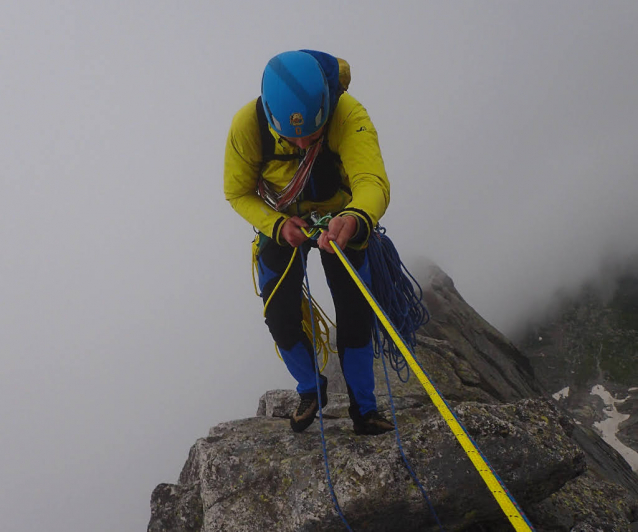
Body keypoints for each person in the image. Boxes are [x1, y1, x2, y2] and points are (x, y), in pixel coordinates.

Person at [224, 50, 393, 435]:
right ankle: (310, 390)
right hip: (284, 221)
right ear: (270, 116)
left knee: (355, 314)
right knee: (279, 316)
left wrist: (353, 218)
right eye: (291, 135)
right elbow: (237, 193)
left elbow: (371, 181)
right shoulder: (247, 127)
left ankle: (364, 410)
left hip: (341, 220)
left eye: (311, 134)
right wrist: (278, 225)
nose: (301, 144)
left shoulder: (348, 115)